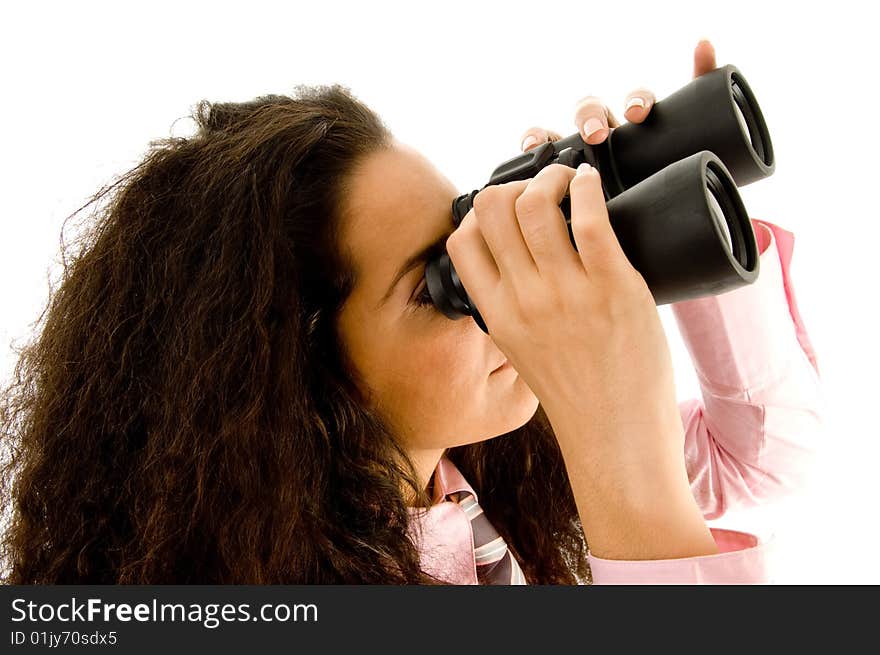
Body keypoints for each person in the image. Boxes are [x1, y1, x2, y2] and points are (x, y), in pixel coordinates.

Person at [0, 39, 822, 585]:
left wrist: (645, 209)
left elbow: (757, 460)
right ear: (298, 368)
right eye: (444, 281)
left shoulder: (478, 469)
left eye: (473, 233)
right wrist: (618, 438)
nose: (498, 287)